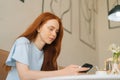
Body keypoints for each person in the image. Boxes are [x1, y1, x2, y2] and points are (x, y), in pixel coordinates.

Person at [5, 12, 89, 80]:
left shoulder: (49, 54)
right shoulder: (22, 42)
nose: (54, 34)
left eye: (56, 32)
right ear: (39, 28)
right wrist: (63, 72)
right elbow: (24, 76)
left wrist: (72, 74)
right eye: (51, 29)